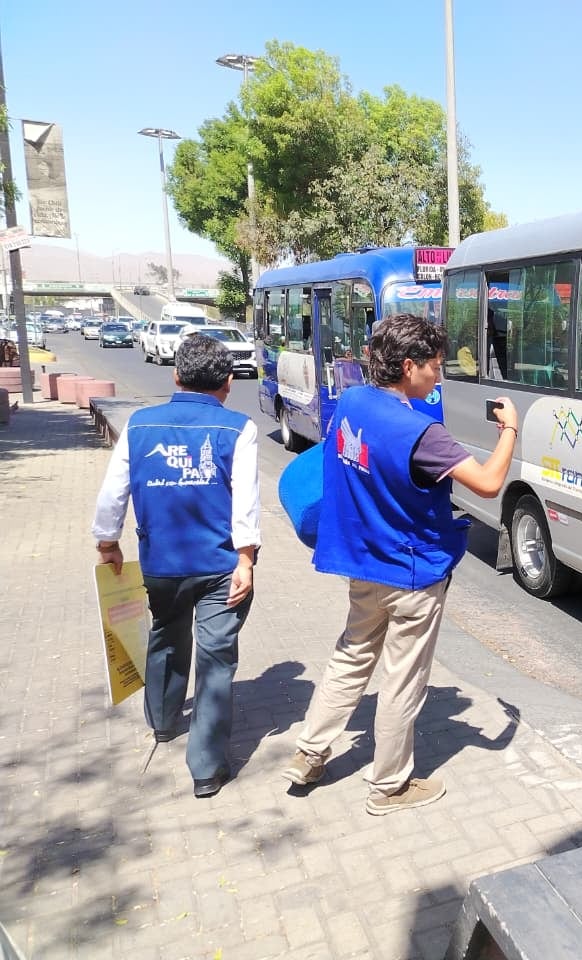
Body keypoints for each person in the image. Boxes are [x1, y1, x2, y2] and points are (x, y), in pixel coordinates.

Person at [282, 313, 519, 816]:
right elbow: (489, 483)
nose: (438, 375)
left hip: (361, 562)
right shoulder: (421, 433)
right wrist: (510, 430)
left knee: (350, 656)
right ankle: (389, 786)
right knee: (402, 678)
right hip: (410, 573)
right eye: (434, 366)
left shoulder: (350, 402)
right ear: (408, 366)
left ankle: (309, 752)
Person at [91, 334, 260, 799]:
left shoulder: (140, 425)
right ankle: (206, 768)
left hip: (159, 564)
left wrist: (108, 545)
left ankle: (163, 722)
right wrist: (246, 559)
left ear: (175, 376)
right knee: (217, 657)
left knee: (165, 635)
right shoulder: (238, 429)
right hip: (221, 566)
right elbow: (245, 503)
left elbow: (113, 495)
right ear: (228, 382)